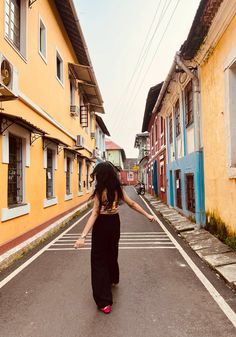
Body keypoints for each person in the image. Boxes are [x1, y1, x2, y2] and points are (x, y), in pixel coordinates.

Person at [74, 162, 155, 314]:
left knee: (98, 261)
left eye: (97, 174)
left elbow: (95, 213)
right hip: (114, 224)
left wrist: (82, 236)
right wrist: (147, 214)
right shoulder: (118, 189)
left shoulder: (99, 191)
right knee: (112, 253)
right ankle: (113, 278)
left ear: (101, 175)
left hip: (102, 225)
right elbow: (131, 203)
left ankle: (104, 301)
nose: (96, 177)